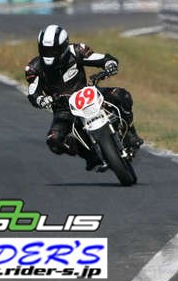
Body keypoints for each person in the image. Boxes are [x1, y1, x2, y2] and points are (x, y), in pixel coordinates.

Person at [25, 25, 143, 171]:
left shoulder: (76, 51)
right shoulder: (34, 68)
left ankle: (130, 133)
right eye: (46, 50)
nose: (50, 54)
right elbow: (33, 93)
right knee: (54, 141)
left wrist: (110, 64)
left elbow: (102, 58)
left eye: (54, 50)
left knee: (121, 95)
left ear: (63, 46)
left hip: (87, 93)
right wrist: (42, 100)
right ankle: (89, 155)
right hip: (63, 108)